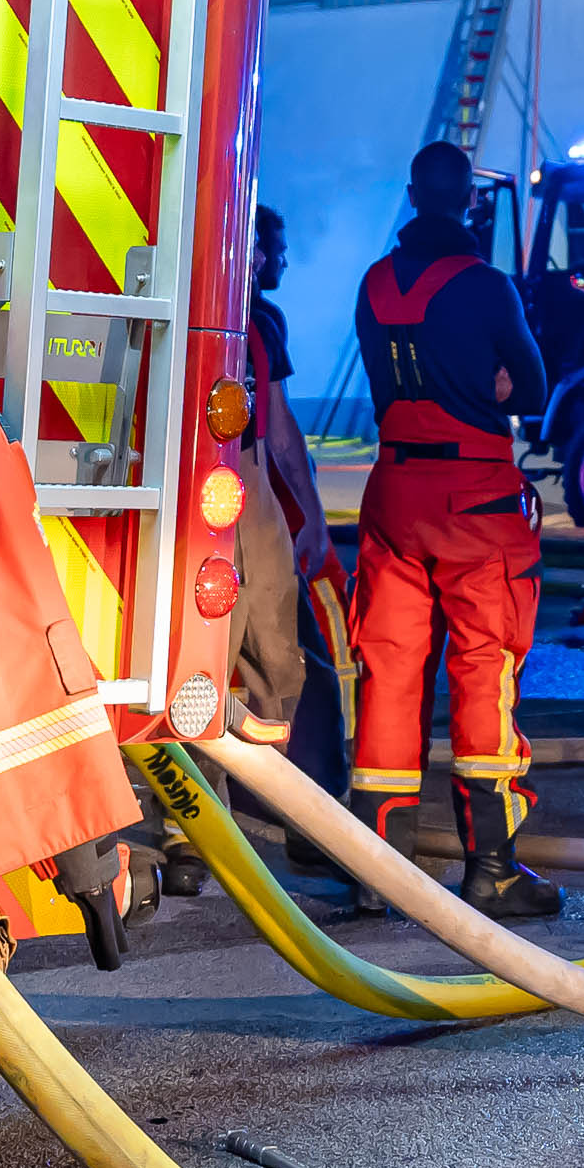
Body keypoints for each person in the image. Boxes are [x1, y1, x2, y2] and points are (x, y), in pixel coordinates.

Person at [347, 141, 559, 919]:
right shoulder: (486, 287)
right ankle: (492, 868)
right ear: (470, 200)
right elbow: (529, 386)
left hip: (394, 493)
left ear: (411, 195)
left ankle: (377, 872)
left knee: (390, 674)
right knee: (483, 670)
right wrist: (487, 381)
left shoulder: (373, 284)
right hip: (475, 500)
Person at [246, 205, 350, 799]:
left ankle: (189, 831)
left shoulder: (237, 318)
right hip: (247, 498)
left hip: (202, 505)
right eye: (274, 248)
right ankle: (311, 804)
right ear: (251, 251)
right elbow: (281, 435)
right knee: (291, 656)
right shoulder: (261, 320)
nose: (281, 259)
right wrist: (312, 520)